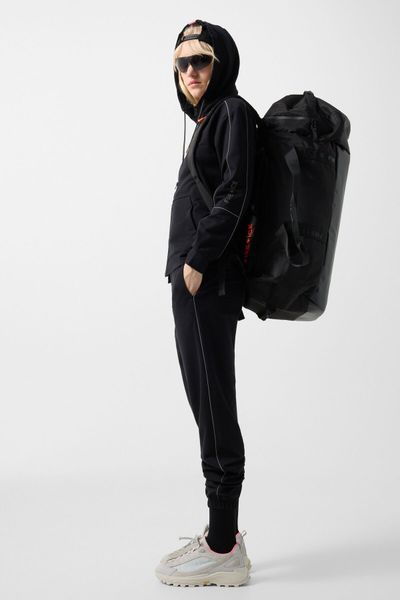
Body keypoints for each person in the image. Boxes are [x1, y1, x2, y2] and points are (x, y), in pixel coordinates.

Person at [155, 19, 257, 587]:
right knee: (207, 403)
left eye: (201, 60)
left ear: (222, 64)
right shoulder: (207, 121)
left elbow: (236, 191)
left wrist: (196, 261)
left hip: (207, 280)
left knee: (214, 405)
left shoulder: (232, 113)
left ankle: (222, 547)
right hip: (195, 279)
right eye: (182, 63)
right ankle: (223, 536)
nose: (190, 71)